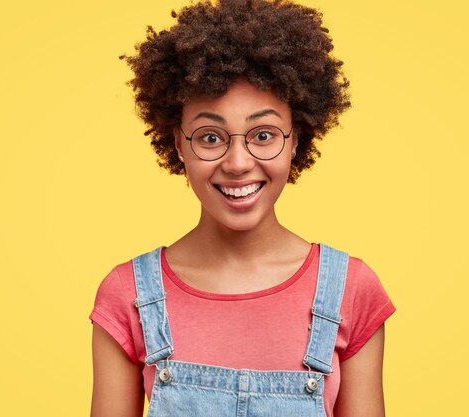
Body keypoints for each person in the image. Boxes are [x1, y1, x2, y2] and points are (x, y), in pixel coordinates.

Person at [89, 0, 396, 416]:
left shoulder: (350, 290)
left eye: (264, 134)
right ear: (179, 143)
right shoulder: (129, 295)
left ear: (296, 140)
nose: (237, 163)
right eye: (211, 137)